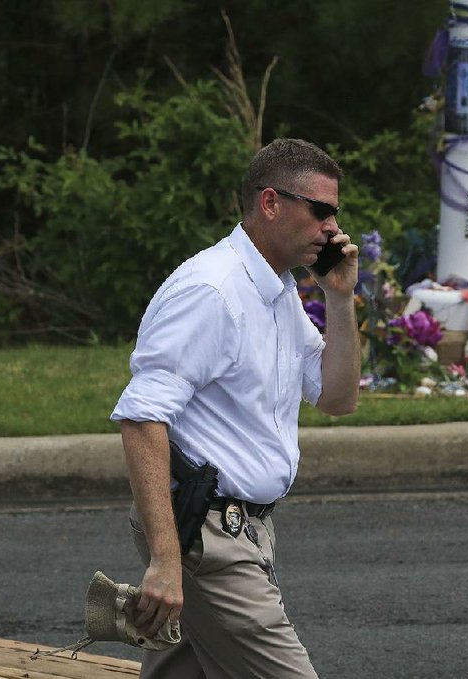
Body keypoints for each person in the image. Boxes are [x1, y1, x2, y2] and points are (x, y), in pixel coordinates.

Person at [110, 138, 360, 678]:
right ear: (270, 203)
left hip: (242, 532)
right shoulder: (212, 290)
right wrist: (166, 562)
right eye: (320, 210)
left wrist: (339, 299)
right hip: (207, 539)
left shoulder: (278, 293)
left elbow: (338, 397)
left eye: (335, 214)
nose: (331, 228)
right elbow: (141, 418)